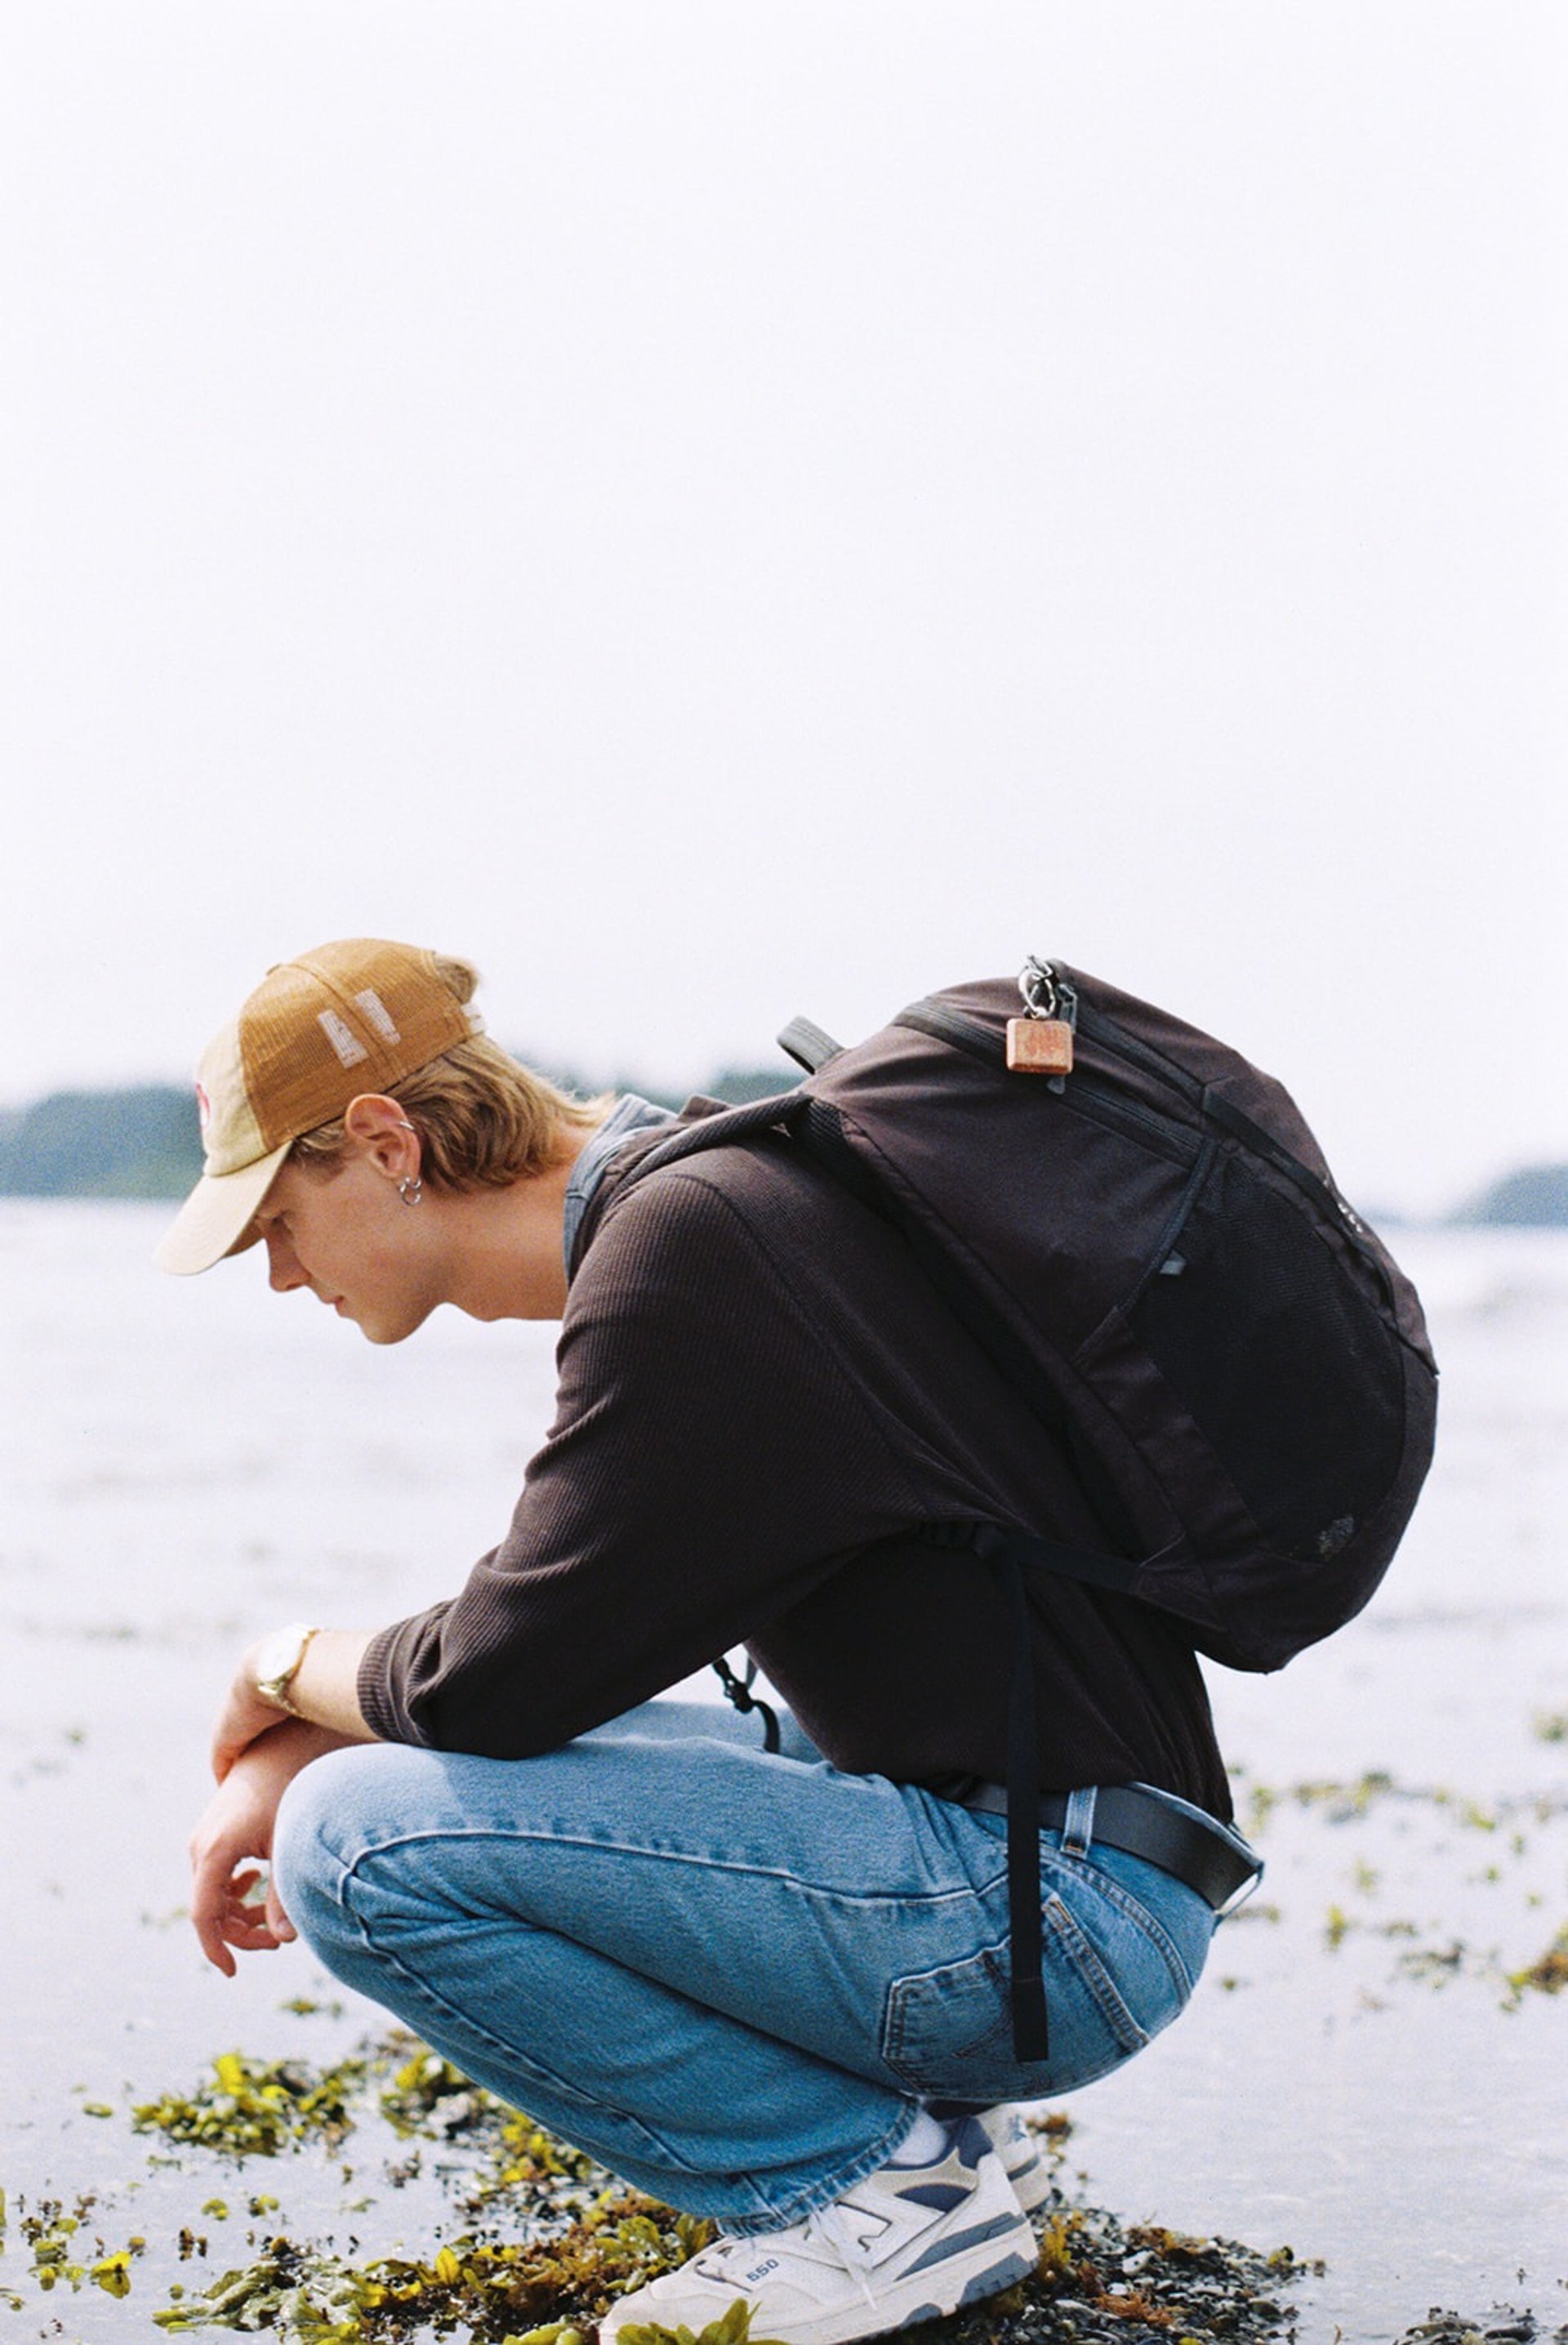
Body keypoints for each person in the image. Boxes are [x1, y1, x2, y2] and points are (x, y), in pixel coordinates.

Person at [163, 936, 1260, 2345]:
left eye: (274, 1224)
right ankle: (952, 2151)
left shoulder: (696, 1247)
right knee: (436, 1767)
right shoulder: (731, 1193)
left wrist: (278, 1669)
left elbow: (495, 1676)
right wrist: (319, 1722)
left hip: (1046, 1918)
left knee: (354, 1845)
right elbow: (552, 1659)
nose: (275, 1276)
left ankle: (864, 2199)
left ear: (384, 1142)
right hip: (1075, 1871)